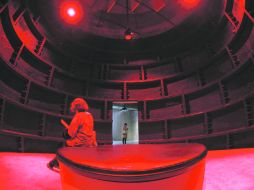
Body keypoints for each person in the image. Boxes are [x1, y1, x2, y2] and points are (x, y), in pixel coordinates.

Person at [47, 97, 97, 171]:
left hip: (80, 143)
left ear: (76, 106)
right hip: (89, 142)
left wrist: (66, 132)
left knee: (64, 145)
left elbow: (71, 134)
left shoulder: (78, 116)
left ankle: (55, 164)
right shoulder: (89, 115)